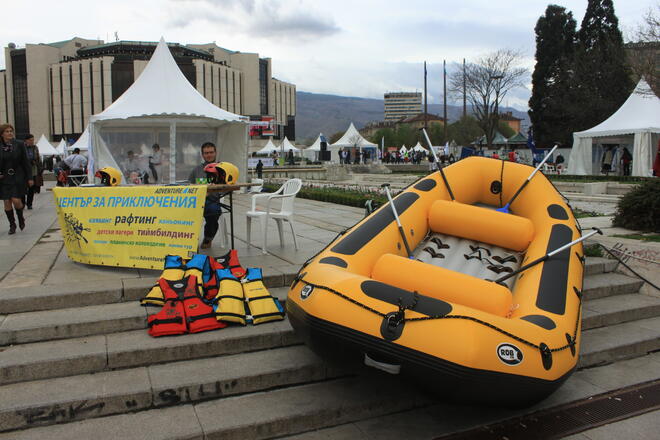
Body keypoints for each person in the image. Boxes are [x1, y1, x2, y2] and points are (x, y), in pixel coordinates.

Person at [188, 142, 223, 249]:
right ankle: (185, 241)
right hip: (196, 202)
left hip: (212, 201)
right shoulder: (196, 170)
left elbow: (229, 184)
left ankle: (208, 238)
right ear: (202, 155)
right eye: (206, 153)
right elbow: (189, 186)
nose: (209, 155)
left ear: (215, 153)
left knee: (214, 212)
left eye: (211, 152)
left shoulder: (223, 169)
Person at [0, 124, 32, 234]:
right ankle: (12, 225)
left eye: (11, 131)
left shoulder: (19, 144)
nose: (9, 133)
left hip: (17, 175)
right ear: (2, 134)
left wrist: (29, 177)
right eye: (7, 131)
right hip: (4, 177)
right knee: (6, 202)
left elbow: (26, 162)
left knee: (16, 200)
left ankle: (20, 217)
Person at [23, 134, 42, 209]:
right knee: (23, 187)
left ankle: (29, 203)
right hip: (24, 169)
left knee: (32, 187)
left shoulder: (35, 147)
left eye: (33, 140)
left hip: (33, 168)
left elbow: (38, 157)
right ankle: (22, 202)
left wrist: (37, 164)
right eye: (31, 140)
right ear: (26, 140)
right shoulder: (22, 147)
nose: (32, 142)